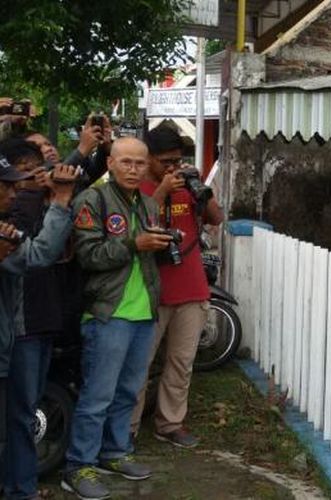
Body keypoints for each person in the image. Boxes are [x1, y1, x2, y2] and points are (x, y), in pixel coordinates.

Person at [62, 137, 174, 500]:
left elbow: (150, 251)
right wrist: (133, 244)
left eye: (140, 163)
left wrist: (166, 244)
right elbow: (89, 255)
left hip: (143, 312)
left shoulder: (147, 203)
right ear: (110, 163)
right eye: (126, 162)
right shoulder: (91, 200)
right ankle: (79, 467)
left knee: (127, 392)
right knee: (97, 395)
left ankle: (115, 453)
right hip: (108, 313)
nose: (133, 169)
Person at [130, 126, 224, 448]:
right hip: (151, 292)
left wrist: (201, 189)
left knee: (181, 364)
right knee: (138, 366)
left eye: (177, 161)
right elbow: (137, 224)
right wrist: (162, 191)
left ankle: (169, 423)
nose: (172, 168)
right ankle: (125, 428)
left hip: (191, 288)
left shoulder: (188, 186)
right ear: (149, 159)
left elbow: (216, 218)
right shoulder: (137, 188)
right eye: (165, 161)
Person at [0, 138, 81, 499]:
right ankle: (20, 488)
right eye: (9, 185)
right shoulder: (17, 214)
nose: (15, 191)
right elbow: (39, 254)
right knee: (18, 416)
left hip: (37, 321)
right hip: (21, 329)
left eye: (21, 181)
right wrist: (58, 199)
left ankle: (19, 485)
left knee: (18, 416)